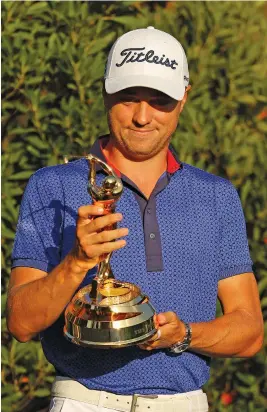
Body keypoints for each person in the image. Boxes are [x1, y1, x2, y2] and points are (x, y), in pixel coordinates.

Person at [7, 27, 263, 412]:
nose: (143, 117)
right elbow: (21, 323)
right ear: (106, 94)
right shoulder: (52, 186)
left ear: (183, 99)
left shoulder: (217, 195)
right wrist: (77, 262)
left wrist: (185, 334)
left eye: (159, 100)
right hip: (84, 402)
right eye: (128, 98)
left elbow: (249, 332)